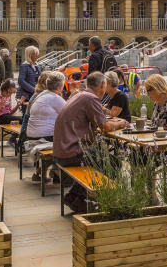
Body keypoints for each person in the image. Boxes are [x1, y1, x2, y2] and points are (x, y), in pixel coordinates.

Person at [54, 72, 127, 214]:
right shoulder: (91, 98)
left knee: (99, 158)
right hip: (72, 152)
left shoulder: (80, 95)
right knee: (114, 163)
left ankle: (74, 196)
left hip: (62, 150)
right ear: (102, 85)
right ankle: (89, 200)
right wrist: (121, 123)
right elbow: (105, 127)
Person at [26, 71, 64, 182]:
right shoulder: (53, 98)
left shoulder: (42, 94)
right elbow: (69, 112)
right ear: (61, 86)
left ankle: (46, 171)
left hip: (31, 135)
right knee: (71, 144)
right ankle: (57, 174)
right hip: (43, 137)